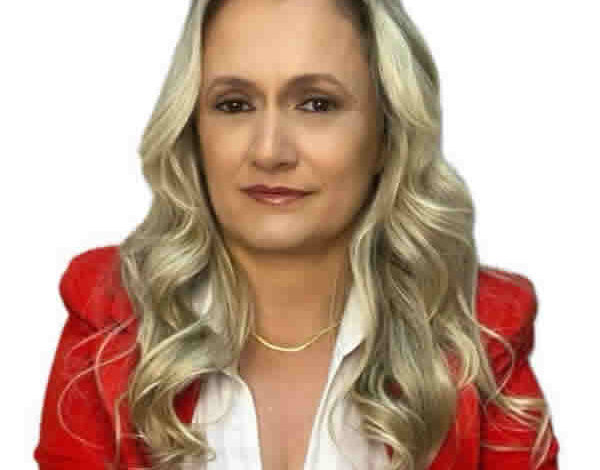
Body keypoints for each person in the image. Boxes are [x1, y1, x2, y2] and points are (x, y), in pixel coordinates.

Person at [34, 0, 560, 469]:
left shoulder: (481, 333)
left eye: (316, 104)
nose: (269, 151)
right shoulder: (110, 319)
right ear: (193, 130)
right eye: (234, 104)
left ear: (387, 134)